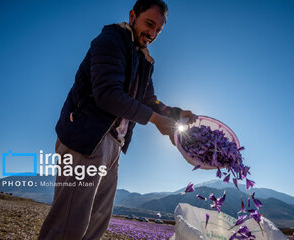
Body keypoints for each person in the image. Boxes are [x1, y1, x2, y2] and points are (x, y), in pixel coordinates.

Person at [38, 0, 196, 239]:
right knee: (69, 223)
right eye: (149, 24)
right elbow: (108, 95)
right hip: (86, 140)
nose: (152, 33)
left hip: (113, 146)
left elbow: (149, 99)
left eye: (158, 30)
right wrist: (155, 120)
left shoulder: (143, 59)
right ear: (133, 15)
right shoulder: (111, 41)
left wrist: (175, 114)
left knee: (96, 222)